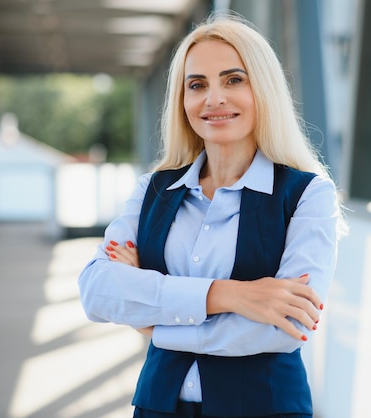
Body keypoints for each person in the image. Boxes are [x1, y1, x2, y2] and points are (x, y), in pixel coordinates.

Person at [78, 11, 344, 418]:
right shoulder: (154, 190)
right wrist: (233, 295)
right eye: (197, 85)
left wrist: (149, 317)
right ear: (182, 101)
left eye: (233, 80)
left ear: (264, 90)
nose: (213, 99)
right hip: (158, 407)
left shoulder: (308, 196)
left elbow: (284, 328)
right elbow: (98, 291)